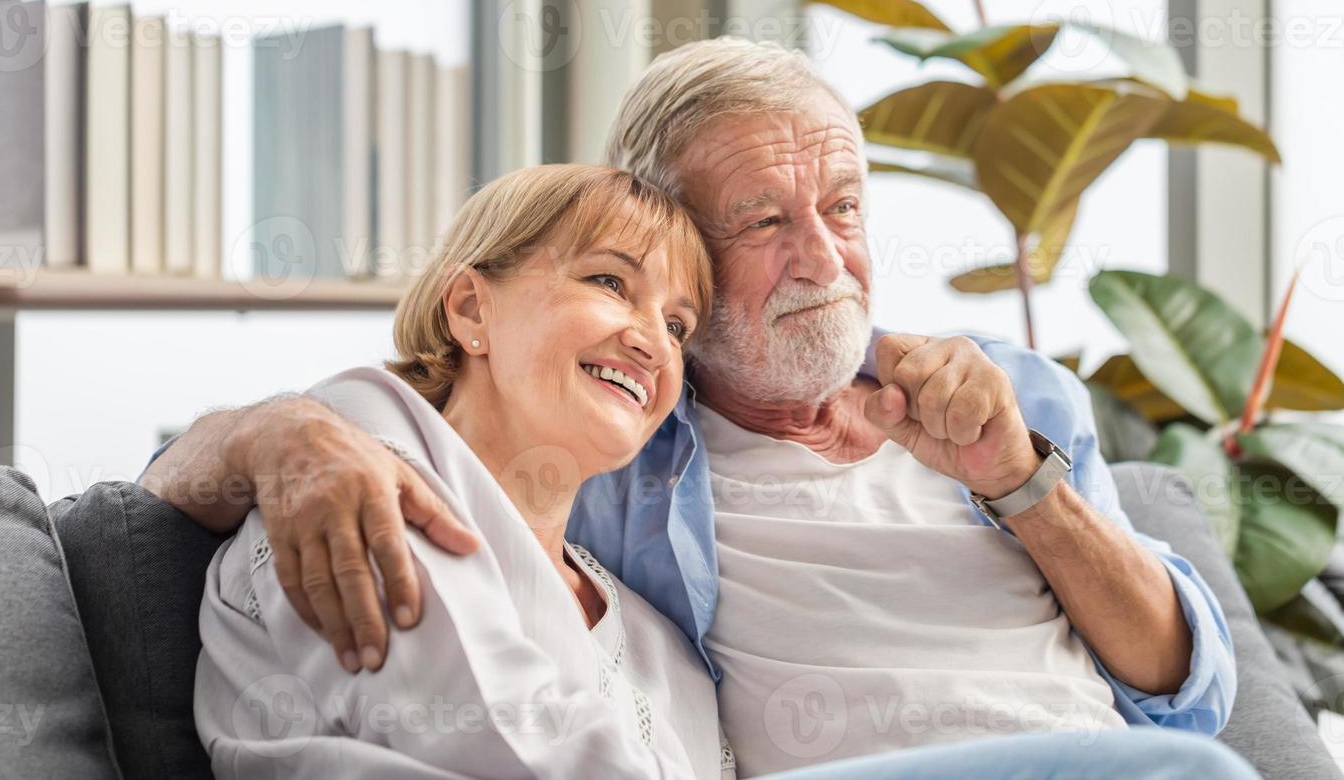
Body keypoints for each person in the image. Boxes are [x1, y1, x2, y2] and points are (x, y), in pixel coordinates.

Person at [151, 39, 1249, 777]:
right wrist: (276, 431)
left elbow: (1185, 689)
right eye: (766, 220)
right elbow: (195, 474)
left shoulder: (1009, 394)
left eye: (843, 207)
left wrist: (1022, 479)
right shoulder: (594, 449)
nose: (824, 255)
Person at [195, 164, 728, 777]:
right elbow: (496, 740)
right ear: (472, 309)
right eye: (610, 282)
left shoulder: (666, 650)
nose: (655, 345)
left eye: (677, 325)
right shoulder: (351, 454)